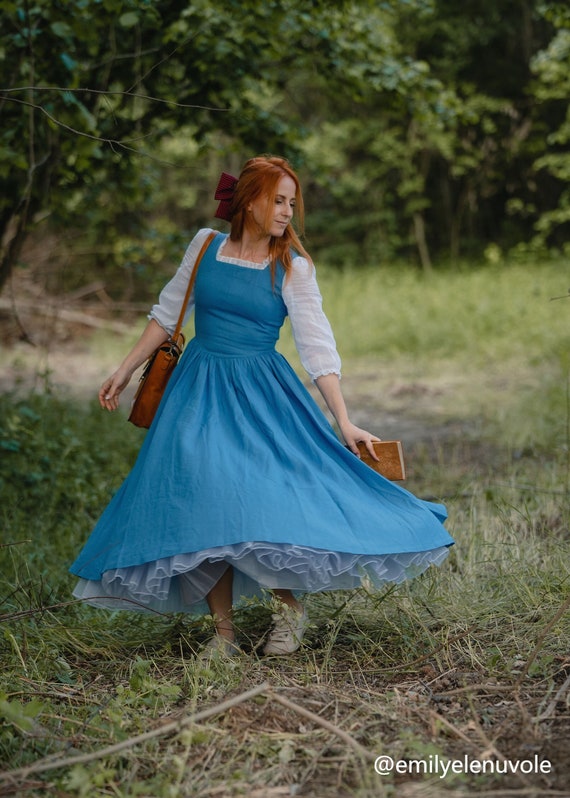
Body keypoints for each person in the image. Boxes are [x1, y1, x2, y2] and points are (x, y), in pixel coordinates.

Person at [70, 156, 453, 658]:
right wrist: (123, 371)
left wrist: (343, 419)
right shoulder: (204, 245)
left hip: (260, 394)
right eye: (278, 200)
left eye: (292, 203)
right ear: (248, 200)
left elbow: (317, 349)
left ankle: (288, 608)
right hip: (197, 390)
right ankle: (223, 634)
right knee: (199, 495)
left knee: (252, 496)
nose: (287, 212)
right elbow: (167, 314)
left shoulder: (292, 266)